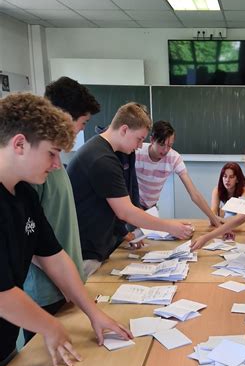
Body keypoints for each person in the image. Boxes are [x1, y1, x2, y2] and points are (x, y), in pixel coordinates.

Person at [0, 93, 132, 366]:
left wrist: (93, 313)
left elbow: (55, 257)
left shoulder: (24, 194)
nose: (57, 165)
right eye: (52, 153)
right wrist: (48, 325)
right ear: (20, 144)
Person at [68, 103, 193, 277]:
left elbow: (116, 200)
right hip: (86, 252)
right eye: (139, 139)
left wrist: (122, 233)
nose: (140, 145)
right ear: (124, 130)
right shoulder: (102, 160)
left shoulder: (108, 151)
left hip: (98, 245)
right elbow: (125, 212)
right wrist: (170, 227)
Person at [22, 77, 100, 344]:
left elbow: (48, 245)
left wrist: (84, 301)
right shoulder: (27, 177)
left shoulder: (49, 166)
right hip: (44, 293)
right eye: (83, 123)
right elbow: (32, 249)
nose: (57, 163)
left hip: (65, 287)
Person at [135, 120, 222, 226]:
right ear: (152, 140)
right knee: (133, 238)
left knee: (151, 239)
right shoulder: (137, 152)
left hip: (152, 208)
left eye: (170, 145)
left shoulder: (174, 158)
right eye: (162, 144)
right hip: (133, 205)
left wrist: (212, 218)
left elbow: (194, 193)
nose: (166, 150)